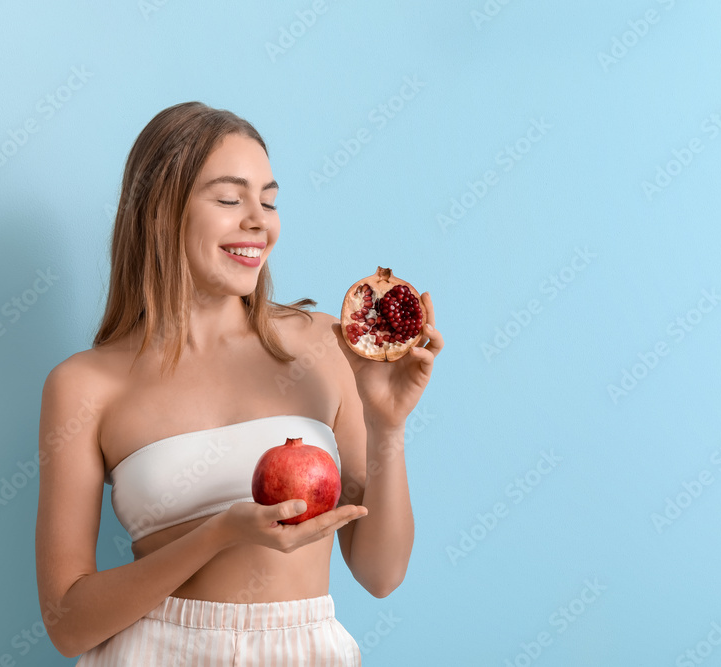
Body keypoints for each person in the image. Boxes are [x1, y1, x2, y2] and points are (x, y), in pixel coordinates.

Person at [34, 101, 442, 665]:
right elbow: (68, 624)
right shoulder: (83, 385)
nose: (259, 220)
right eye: (229, 199)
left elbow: (382, 573)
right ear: (158, 212)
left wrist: (387, 424)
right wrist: (220, 532)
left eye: (269, 200)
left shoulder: (325, 344)